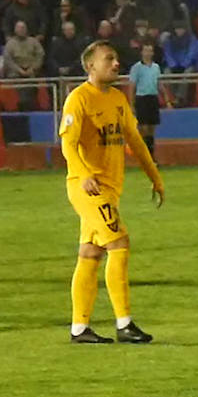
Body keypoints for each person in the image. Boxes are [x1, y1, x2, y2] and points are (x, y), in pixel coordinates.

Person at [59, 41, 166, 344]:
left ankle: (79, 328)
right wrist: (84, 173)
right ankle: (124, 323)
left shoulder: (118, 99)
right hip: (88, 188)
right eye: (109, 59)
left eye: (117, 59)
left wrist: (155, 177)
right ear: (90, 66)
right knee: (119, 243)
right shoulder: (78, 99)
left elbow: (135, 140)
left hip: (109, 189)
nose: (116, 64)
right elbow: (68, 143)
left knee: (90, 253)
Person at [128, 41, 171, 159]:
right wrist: (131, 104)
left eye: (150, 51)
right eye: (145, 50)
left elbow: (159, 84)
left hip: (153, 98)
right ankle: (144, 156)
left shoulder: (156, 67)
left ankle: (151, 156)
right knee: (143, 128)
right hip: (142, 98)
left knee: (152, 128)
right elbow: (132, 86)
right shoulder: (136, 68)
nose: (148, 53)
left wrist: (167, 100)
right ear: (142, 52)